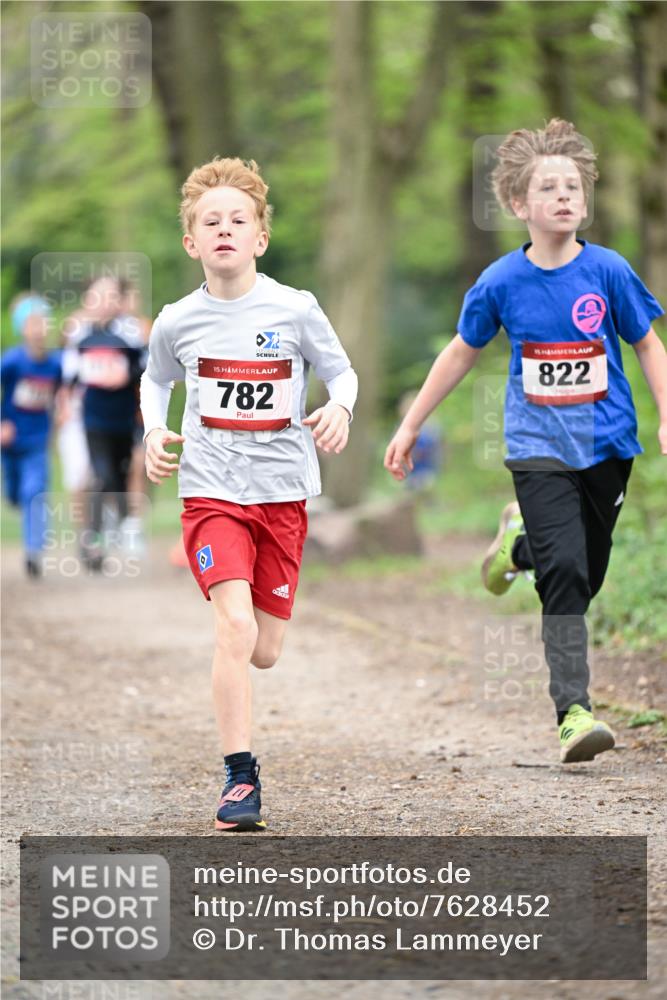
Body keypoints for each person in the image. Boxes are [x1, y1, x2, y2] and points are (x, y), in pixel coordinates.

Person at [385, 119, 666, 763]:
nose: (565, 197)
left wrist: (665, 412)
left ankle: (519, 544)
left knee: (585, 573)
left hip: (609, 445)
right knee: (565, 573)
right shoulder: (501, 283)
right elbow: (460, 352)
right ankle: (573, 713)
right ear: (519, 205)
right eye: (549, 188)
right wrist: (410, 425)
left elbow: (647, 344)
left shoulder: (610, 271)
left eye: (573, 186)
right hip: (537, 446)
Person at [140, 157, 357, 830]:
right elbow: (155, 382)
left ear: (260, 237)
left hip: (283, 496)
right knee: (232, 628)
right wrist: (154, 430)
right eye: (211, 222)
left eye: (239, 220)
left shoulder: (294, 309)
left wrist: (339, 410)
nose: (224, 229)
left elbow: (340, 372)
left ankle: (242, 747)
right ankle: (240, 779)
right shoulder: (177, 320)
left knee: (264, 648)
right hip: (210, 493)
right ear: (192, 242)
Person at [63, 276, 146, 569]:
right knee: (101, 476)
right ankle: (93, 539)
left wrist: (127, 375)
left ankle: (112, 528)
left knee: (119, 477)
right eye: (99, 296)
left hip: (124, 421)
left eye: (111, 296)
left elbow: (145, 368)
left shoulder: (130, 332)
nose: (105, 302)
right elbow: (70, 376)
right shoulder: (80, 334)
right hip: (92, 419)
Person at [1, 294, 63, 577]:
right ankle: (14, 499)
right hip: (10, 441)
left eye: (43, 322)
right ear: (22, 328)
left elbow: (64, 390)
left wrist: (63, 410)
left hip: (38, 440)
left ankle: (34, 551)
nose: (39, 328)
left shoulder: (55, 363)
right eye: (32, 322)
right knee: (14, 492)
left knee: (34, 492)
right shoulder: (12, 362)